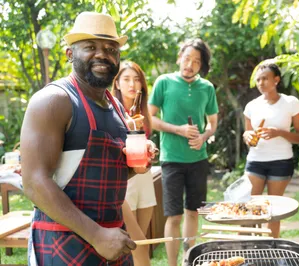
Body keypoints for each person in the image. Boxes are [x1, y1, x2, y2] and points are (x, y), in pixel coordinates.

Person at [20, 12, 155, 265]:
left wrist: (137, 166)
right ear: (70, 54)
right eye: (90, 47)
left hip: (114, 240)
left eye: (110, 48)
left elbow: (102, 175)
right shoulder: (54, 101)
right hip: (65, 245)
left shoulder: (115, 106)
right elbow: (34, 182)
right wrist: (96, 234)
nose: (102, 54)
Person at [148, 38, 218, 266]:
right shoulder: (164, 82)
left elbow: (212, 124)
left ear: (201, 65)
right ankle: (172, 264)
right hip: (172, 160)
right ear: (179, 57)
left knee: (193, 212)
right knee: (174, 215)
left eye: (196, 61)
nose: (190, 64)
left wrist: (203, 137)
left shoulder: (207, 88)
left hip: (198, 159)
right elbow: (151, 118)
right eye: (187, 58)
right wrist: (178, 129)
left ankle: (189, 261)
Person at [242, 61, 299, 238]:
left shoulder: (291, 103)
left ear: (276, 80)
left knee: (272, 210)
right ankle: (250, 248)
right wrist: (248, 137)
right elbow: (248, 135)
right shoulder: (251, 106)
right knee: (250, 206)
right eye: (258, 79)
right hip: (255, 161)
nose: (261, 83)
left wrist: (279, 132)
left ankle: (270, 250)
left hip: (281, 162)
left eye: (265, 79)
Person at [111, 61, 157, 266]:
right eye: (126, 79)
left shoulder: (142, 112)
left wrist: (150, 146)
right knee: (138, 243)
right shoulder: (111, 110)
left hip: (144, 178)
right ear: (117, 83)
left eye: (137, 79)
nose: (132, 84)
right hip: (124, 180)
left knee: (142, 240)